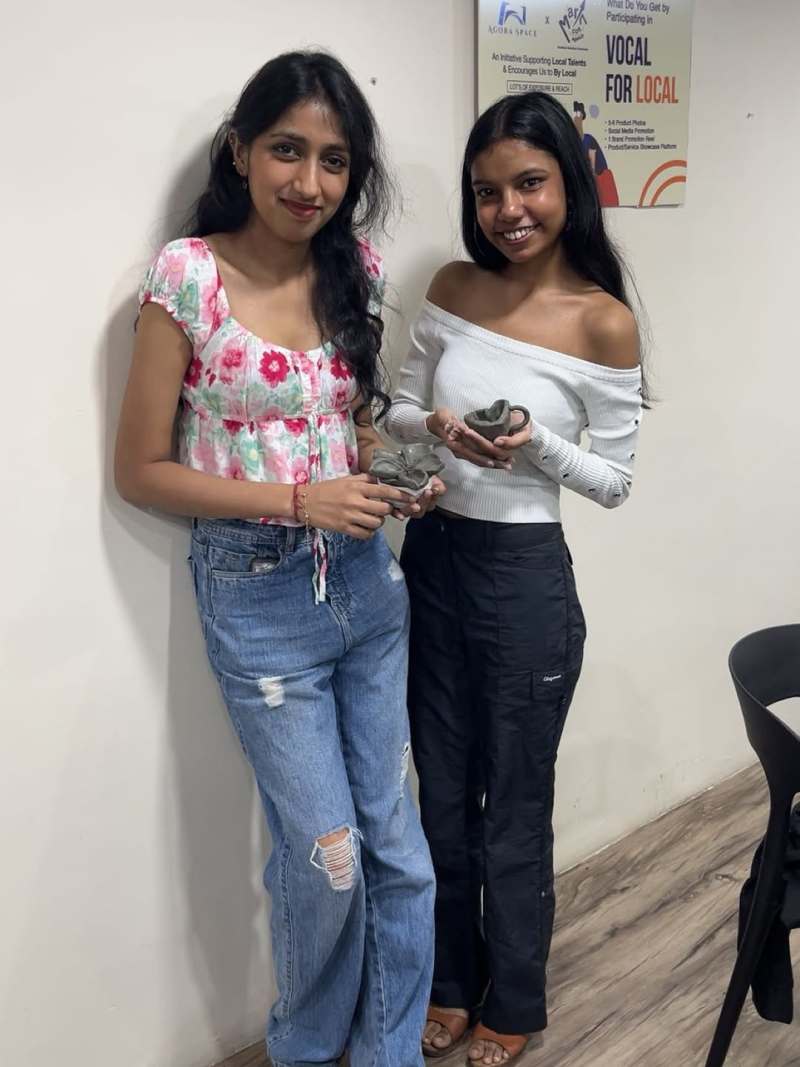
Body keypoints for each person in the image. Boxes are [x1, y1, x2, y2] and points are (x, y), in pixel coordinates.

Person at [115, 50, 438, 1067]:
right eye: (288, 151)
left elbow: (351, 426)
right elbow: (140, 469)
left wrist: (396, 475)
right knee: (327, 854)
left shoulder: (355, 270)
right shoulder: (187, 275)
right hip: (257, 598)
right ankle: (305, 1046)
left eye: (334, 161)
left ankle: (386, 1053)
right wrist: (298, 499)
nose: (310, 182)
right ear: (241, 151)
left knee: (397, 847)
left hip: (366, 583)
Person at [385, 90, 646, 1065]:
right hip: (433, 562)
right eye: (486, 191)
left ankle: (516, 1000)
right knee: (441, 794)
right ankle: (451, 982)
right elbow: (397, 410)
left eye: (528, 183)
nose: (508, 209)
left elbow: (614, 483)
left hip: (524, 581)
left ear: (567, 183)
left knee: (515, 807)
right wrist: (434, 431)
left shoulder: (602, 322)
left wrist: (534, 443)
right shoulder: (454, 284)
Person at [573, 100, 619, 207]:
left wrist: (592, 172)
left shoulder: (588, 140)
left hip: (600, 173)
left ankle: (578, 112)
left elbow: (592, 158)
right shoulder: (578, 142)